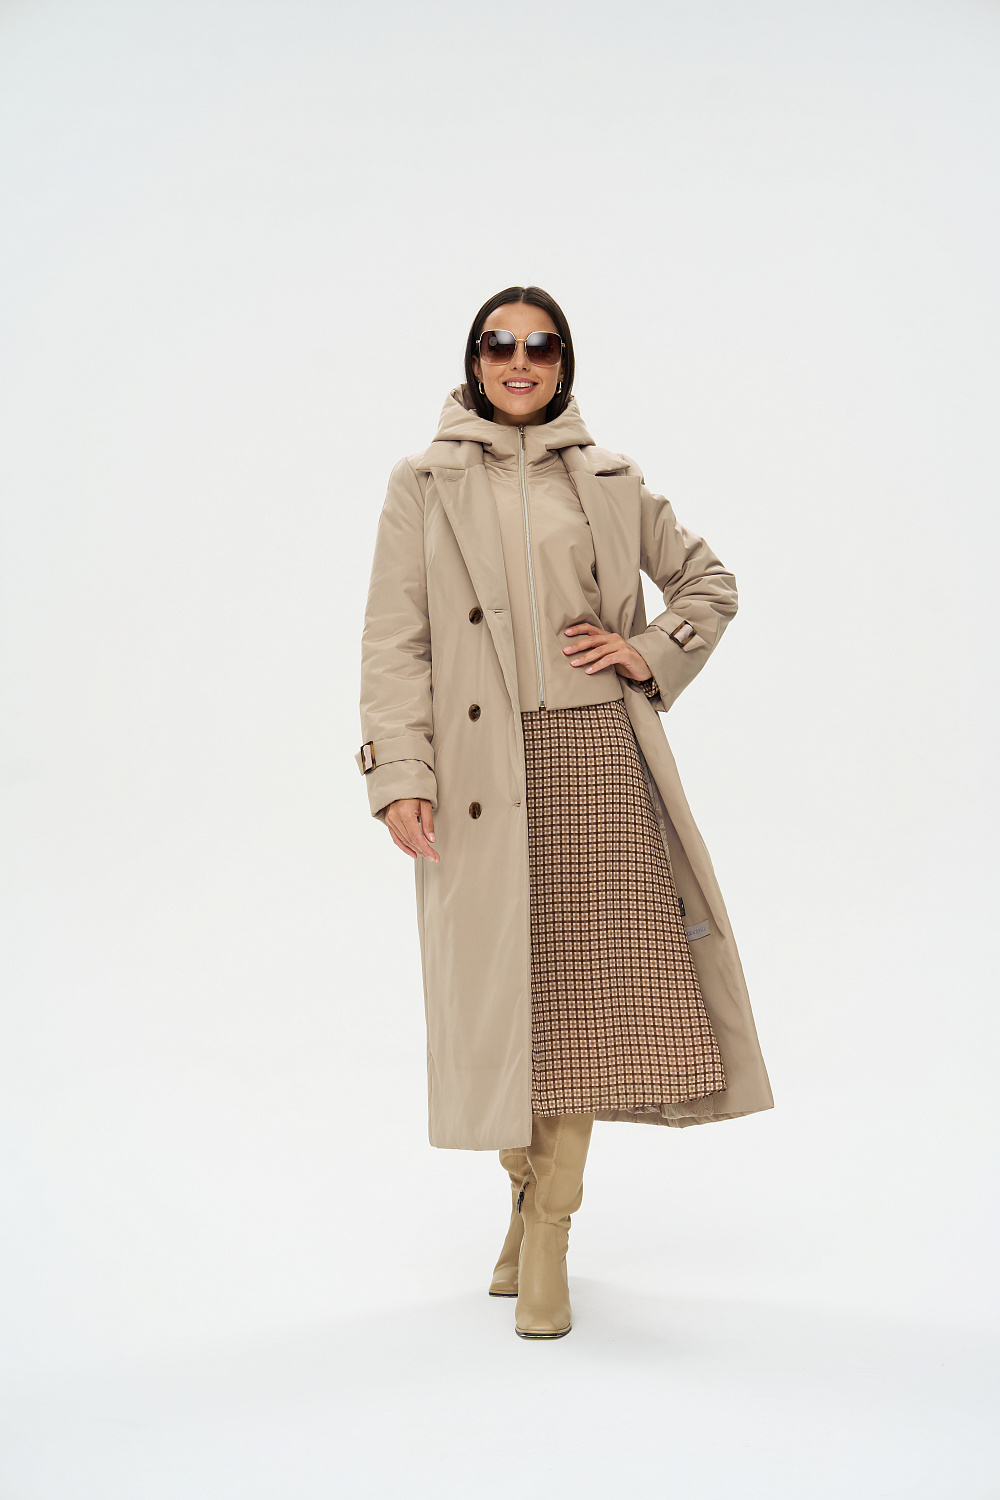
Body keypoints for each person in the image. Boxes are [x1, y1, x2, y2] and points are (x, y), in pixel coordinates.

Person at [356, 285, 773, 1340]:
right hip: (478, 771)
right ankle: (519, 1194)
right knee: (511, 1003)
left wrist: (650, 649)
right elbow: (395, 640)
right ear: (474, 360)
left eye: (540, 346)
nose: (519, 361)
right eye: (498, 344)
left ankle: (549, 1229)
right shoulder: (423, 482)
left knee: (580, 1008)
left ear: (563, 363)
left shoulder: (610, 479)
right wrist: (399, 772)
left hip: (595, 764)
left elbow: (710, 583)